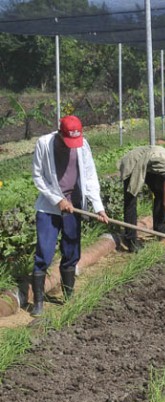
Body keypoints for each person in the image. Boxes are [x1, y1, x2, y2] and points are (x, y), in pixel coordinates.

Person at [26, 115, 109, 316]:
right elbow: (38, 176)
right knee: (44, 253)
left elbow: (89, 176)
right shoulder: (44, 144)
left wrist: (98, 207)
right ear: (60, 132)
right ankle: (38, 302)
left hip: (75, 205)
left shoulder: (82, 145)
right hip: (49, 208)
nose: (73, 144)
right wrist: (57, 199)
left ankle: (68, 296)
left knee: (71, 250)